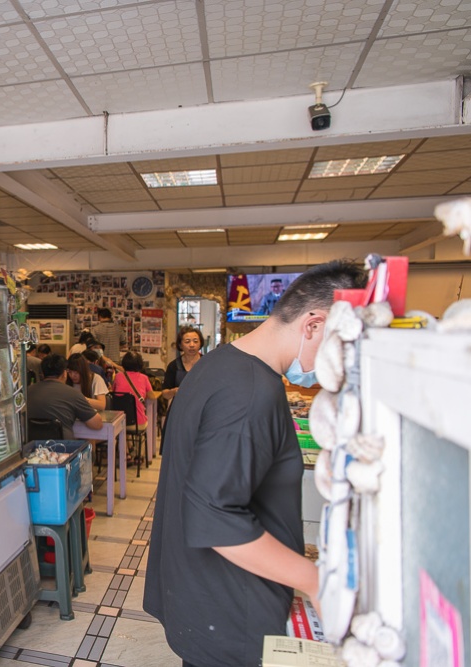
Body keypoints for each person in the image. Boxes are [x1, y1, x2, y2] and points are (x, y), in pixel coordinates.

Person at [144, 259, 366, 667]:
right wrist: (315, 582)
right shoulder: (250, 393)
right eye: (345, 347)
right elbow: (214, 517)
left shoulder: (220, 363)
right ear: (313, 325)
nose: (345, 364)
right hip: (228, 607)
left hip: (199, 591)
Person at [26, 354, 102, 438]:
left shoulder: (27, 392)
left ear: (43, 374)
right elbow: (97, 424)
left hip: (32, 447)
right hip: (64, 448)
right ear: (64, 373)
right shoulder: (73, 394)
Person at [161, 326, 204, 401]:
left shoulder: (208, 364)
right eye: (187, 342)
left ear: (200, 343)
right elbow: (165, 394)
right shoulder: (173, 366)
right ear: (180, 345)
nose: (192, 345)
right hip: (180, 408)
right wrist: (173, 392)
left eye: (195, 341)